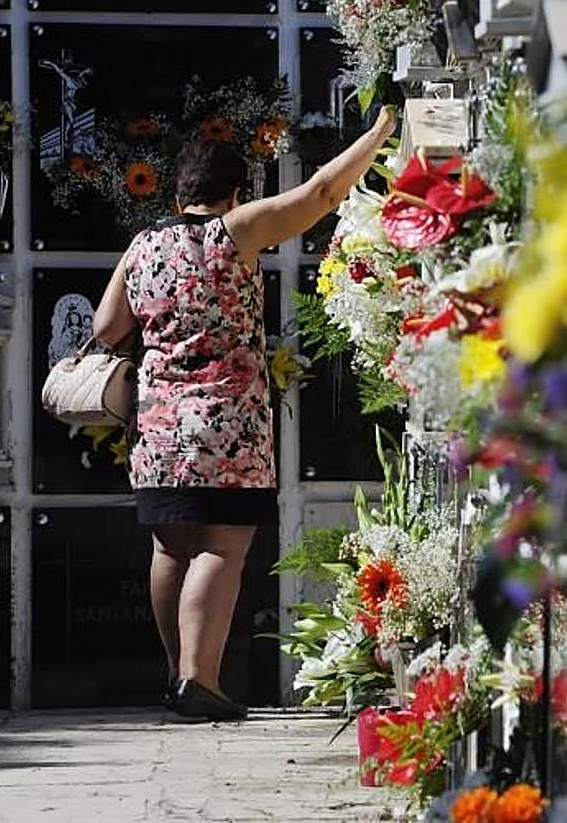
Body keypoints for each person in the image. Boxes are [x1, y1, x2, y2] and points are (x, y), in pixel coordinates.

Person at [93, 106, 398, 721]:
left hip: (155, 424)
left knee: (170, 549)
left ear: (179, 192)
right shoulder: (232, 233)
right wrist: (379, 134)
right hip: (224, 424)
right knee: (223, 548)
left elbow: (106, 328)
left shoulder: (144, 244)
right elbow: (321, 193)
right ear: (235, 194)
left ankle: (178, 674)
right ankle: (199, 680)